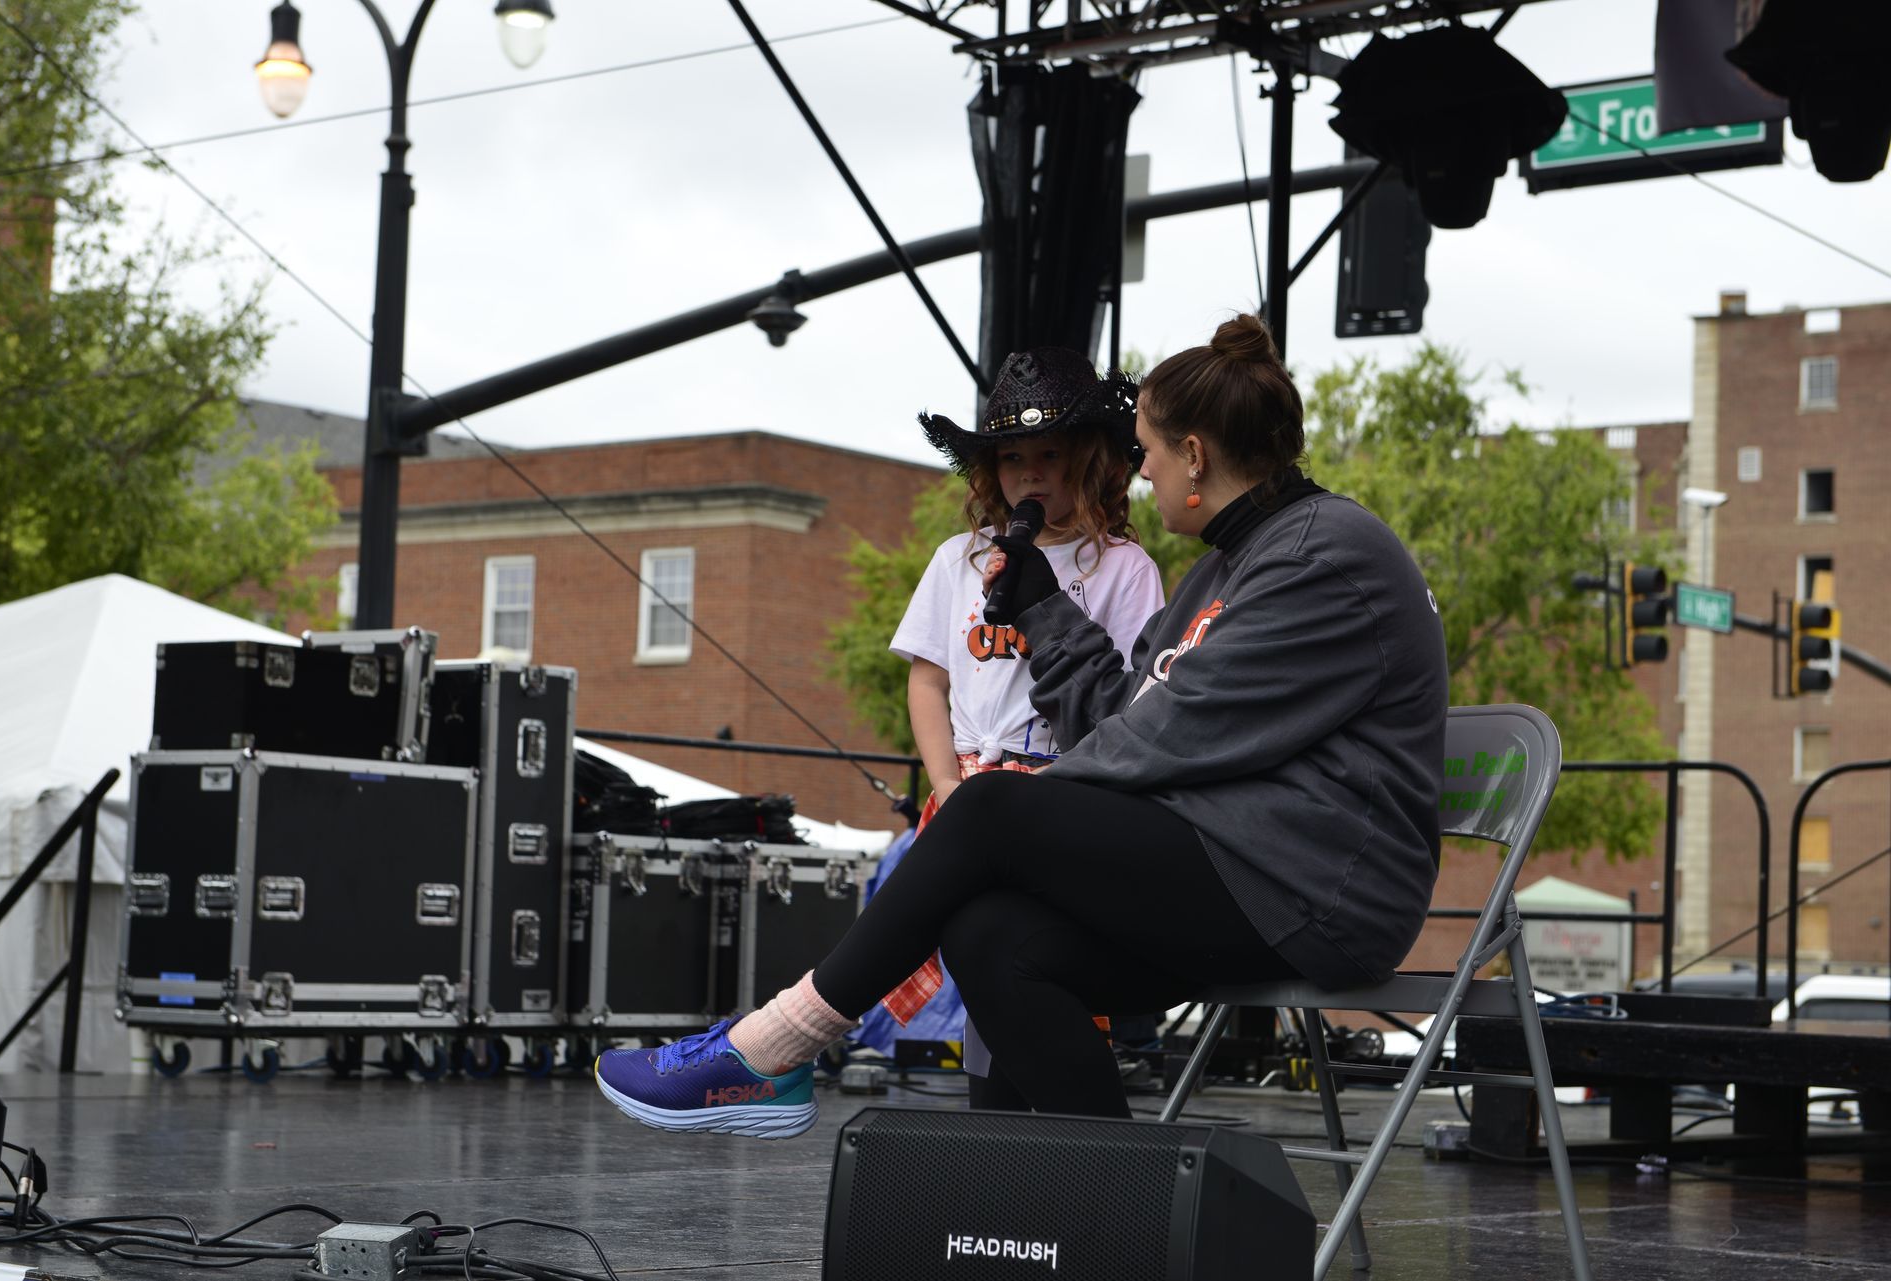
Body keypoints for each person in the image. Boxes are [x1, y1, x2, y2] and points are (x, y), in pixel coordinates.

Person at [594, 313, 1449, 1137]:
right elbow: (1119, 720)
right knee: (990, 935)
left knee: (991, 809)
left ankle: (772, 1048)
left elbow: (1163, 740)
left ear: (1194, 454)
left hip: (1319, 892)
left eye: (1146, 453)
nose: (1142, 475)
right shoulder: (1230, 566)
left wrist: (1002, 817)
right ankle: (1119, 1211)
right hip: (1246, 866)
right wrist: (1042, 608)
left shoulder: (1323, 555)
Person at [882, 347, 1164, 1109]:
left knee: (1025, 949)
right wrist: (946, 781)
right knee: (976, 945)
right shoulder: (957, 560)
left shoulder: (1122, 568)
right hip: (974, 783)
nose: (1031, 474)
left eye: (1050, 455)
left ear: (1089, 462)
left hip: (1062, 789)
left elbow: (1132, 698)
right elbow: (928, 677)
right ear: (988, 472)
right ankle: (996, 1124)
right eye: (1013, 458)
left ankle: (1055, 1125)